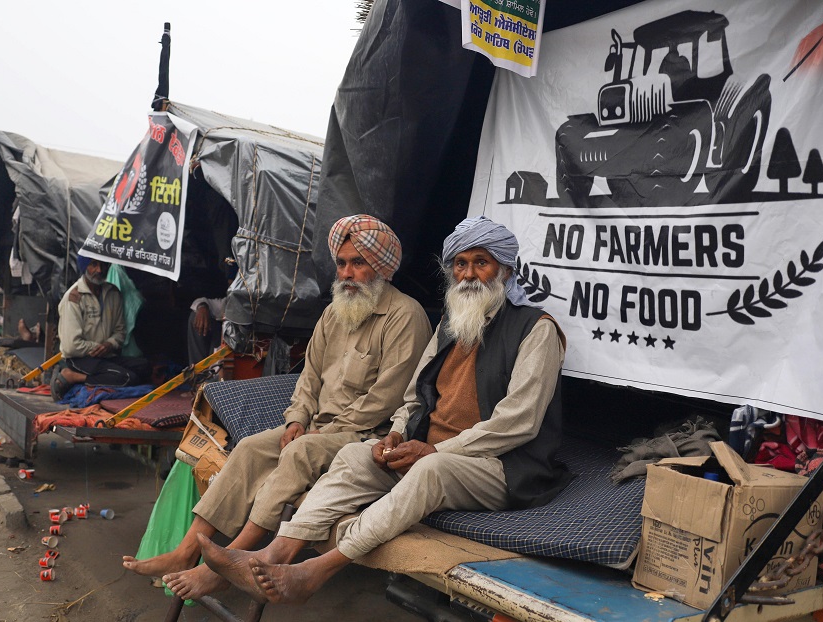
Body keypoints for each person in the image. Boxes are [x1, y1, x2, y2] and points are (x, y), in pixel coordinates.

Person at [188, 216, 572, 605]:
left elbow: (518, 422)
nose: (469, 274)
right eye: (460, 263)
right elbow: (414, 398)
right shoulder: (452, 325)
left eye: (481, 262)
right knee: (355, 456)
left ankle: (316, 570)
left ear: (505, 270)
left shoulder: (536, 329)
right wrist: (397, 435)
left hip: (500, 466)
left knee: (429, 470)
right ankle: (274, 555)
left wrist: (435, 451)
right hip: (429, 451)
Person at [124, 214, 432, 599]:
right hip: (319, 428)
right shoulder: (335, 311)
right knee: (252, 446)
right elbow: (308, 379)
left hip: (365, 435)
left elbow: (385, 400)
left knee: (301, 450)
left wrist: (318, 432)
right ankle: (185, 552)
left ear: (382, 268)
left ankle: (228, 563)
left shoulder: (406, 316)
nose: (348, 273)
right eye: (342, 263)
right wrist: (297, 419)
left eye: (359, 263)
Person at [51, 256, 149, 401]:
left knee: (145, 366)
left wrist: (110, 344)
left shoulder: (113, 293)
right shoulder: (74, 298)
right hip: (81, 358)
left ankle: (98, 376)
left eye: (103, 265)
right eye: (94, 265)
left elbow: (120, 331)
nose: (100, 270)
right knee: (127, 378)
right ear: (85, 267)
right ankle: (72, 376)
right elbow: (71, 346)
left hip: (106, 355)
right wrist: (98, 347)